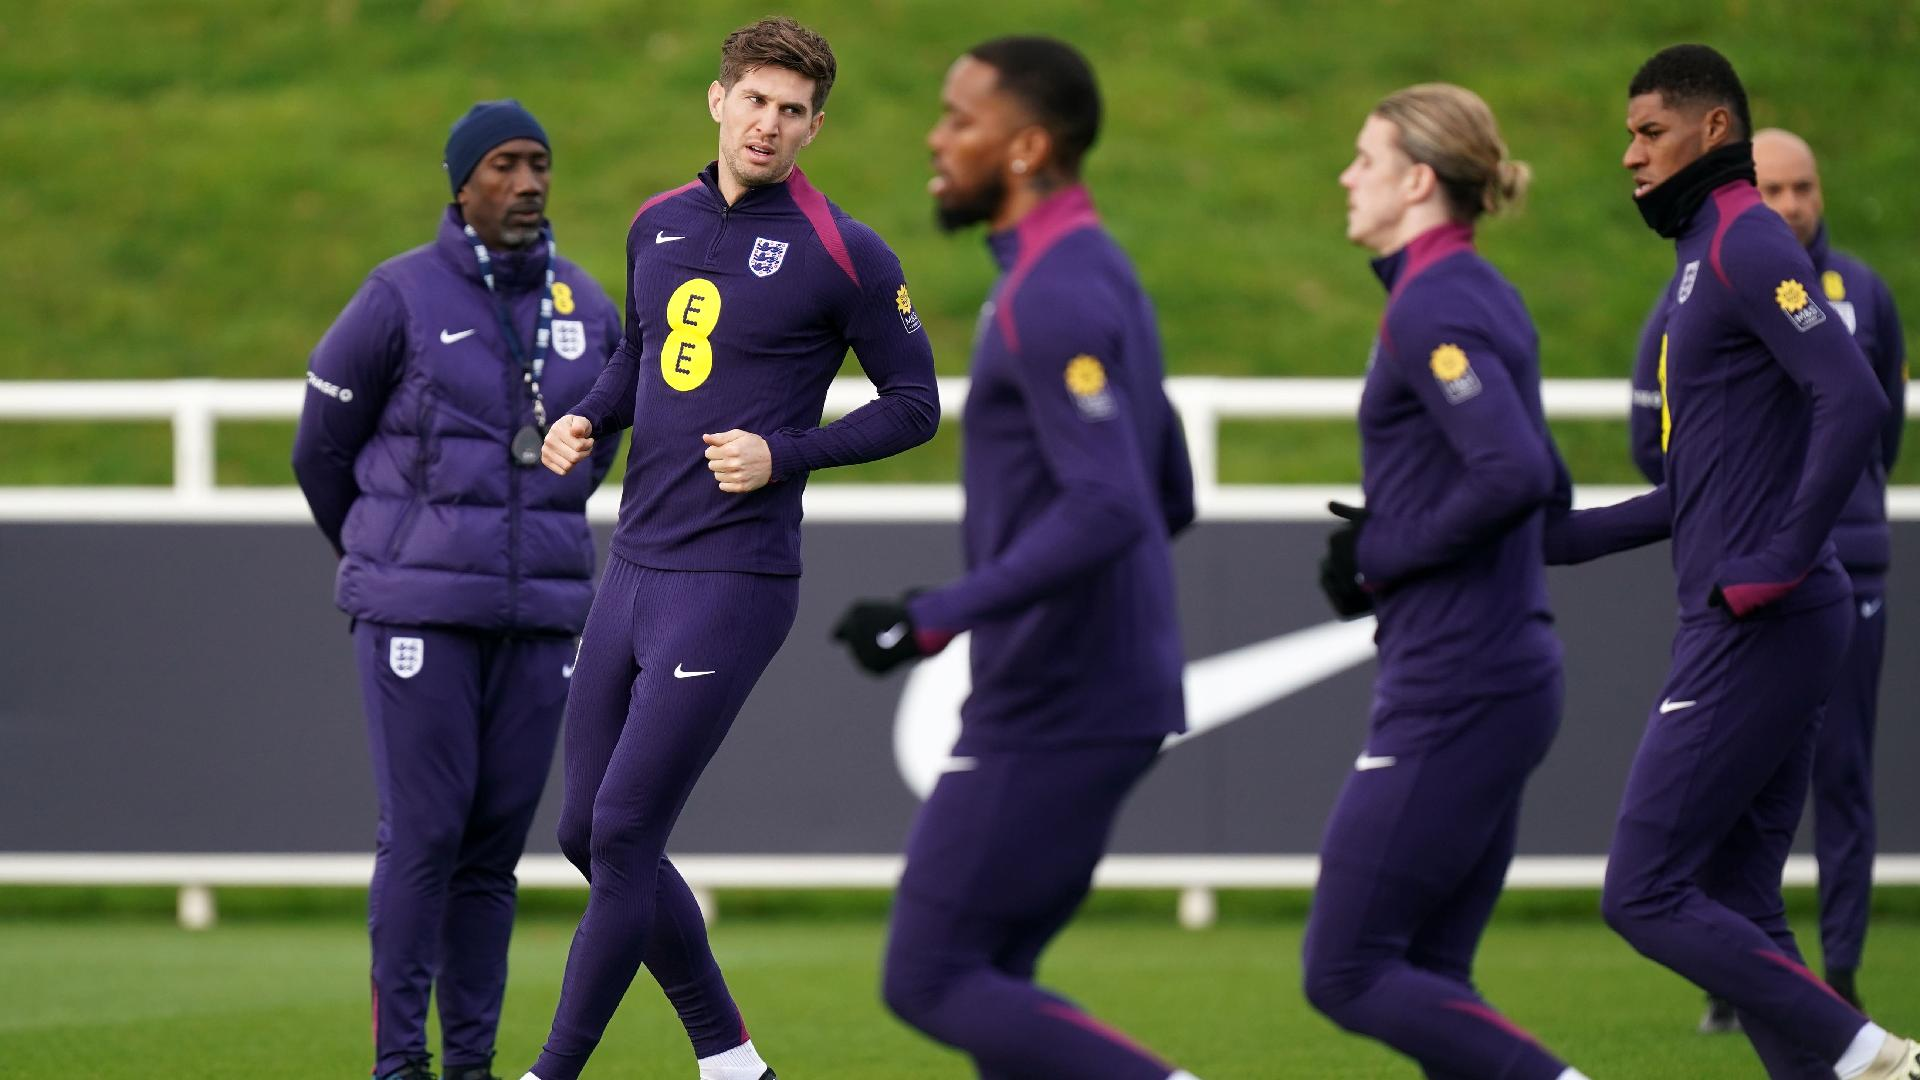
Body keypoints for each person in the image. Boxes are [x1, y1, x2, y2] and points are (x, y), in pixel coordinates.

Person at [523, 17, 939, 1080]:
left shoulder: (846, 251)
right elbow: (639, 358)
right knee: (583, 832)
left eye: (793, 111)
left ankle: (550, 1071)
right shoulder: (657, 222)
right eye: (755, 100)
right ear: (718, 102)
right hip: (634, 567)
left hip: (733, 580)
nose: (770, 124)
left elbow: (915, 405)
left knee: (621, 828)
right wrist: (586, 418)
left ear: (815, 127)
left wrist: (785, 452)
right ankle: (731, 1059)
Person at [829, 36, 1201, 1080]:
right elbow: (1167, 489)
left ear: (1028, 145)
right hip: (1092, 687)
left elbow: (1113, 501)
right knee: (995, 983)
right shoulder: (1092, 267)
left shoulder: (1050, 291)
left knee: (932, 976)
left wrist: (934, 614)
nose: (935, 138)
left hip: (1057, 702)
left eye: (960, 118)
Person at [1548, 44, 1916, 1078]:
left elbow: (1854, 398)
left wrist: (1778, 561)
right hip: (1764, 615)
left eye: (1649, 130)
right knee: (1745, 900)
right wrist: (1557, 539)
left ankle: (1869, 1053)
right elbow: (1693, 489)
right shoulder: (1700, 254)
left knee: (1644, 892)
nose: (1629, 154)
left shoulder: (1747, 242)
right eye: (1629, 133)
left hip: (1764, 620)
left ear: (1714, 132)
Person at [293, 100, 623, 1080]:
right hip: (418, 616)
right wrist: (386, 555)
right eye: (503, 167)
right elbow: (322, 452)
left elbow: (597, 449)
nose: (526, 184)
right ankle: (401, 1066)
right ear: (461, 184)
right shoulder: (397, 295)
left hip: (540, 619)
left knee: (491, 854)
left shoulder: (588, 308)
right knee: (425, 836)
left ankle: (470, 1066)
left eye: (539, 165)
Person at [1296, 83, 1589, 1080]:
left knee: (1346, 970)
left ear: (1417, 180)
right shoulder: (1479, 290)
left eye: (1364, 159)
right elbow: (1543, 482)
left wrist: (1383, 551)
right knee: (1431, 975)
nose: (1347, 175)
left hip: (1458, 678)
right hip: (1500, 668)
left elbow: (1511, 472)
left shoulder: (1433, 302)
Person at [1631, 126, 1907, 1031]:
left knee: (1842, 783)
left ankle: (1846, 986)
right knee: (1742, 825)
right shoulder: (1701, 272)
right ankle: (1758, 990)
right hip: (1747, 574)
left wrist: (1796, 537)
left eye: (1806, 189)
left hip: (1825, 568)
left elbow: (1873, 416)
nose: (1791, 206)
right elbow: (1664, 448)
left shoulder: (1858, 289)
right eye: (1776, 188)